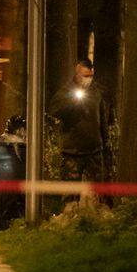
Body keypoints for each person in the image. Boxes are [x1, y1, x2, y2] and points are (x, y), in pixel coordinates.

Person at [47, 59, 116, 187]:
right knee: (71, 194)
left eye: (91, 76)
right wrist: (72, 102)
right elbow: (54, 111)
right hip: (72, 152)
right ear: (77, 74)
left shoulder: (96, 92)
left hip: (94, 151)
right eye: (85, 76)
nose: (88, 79)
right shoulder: (65, 92)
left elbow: (102, 120)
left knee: (96, 192)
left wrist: (105, 143)